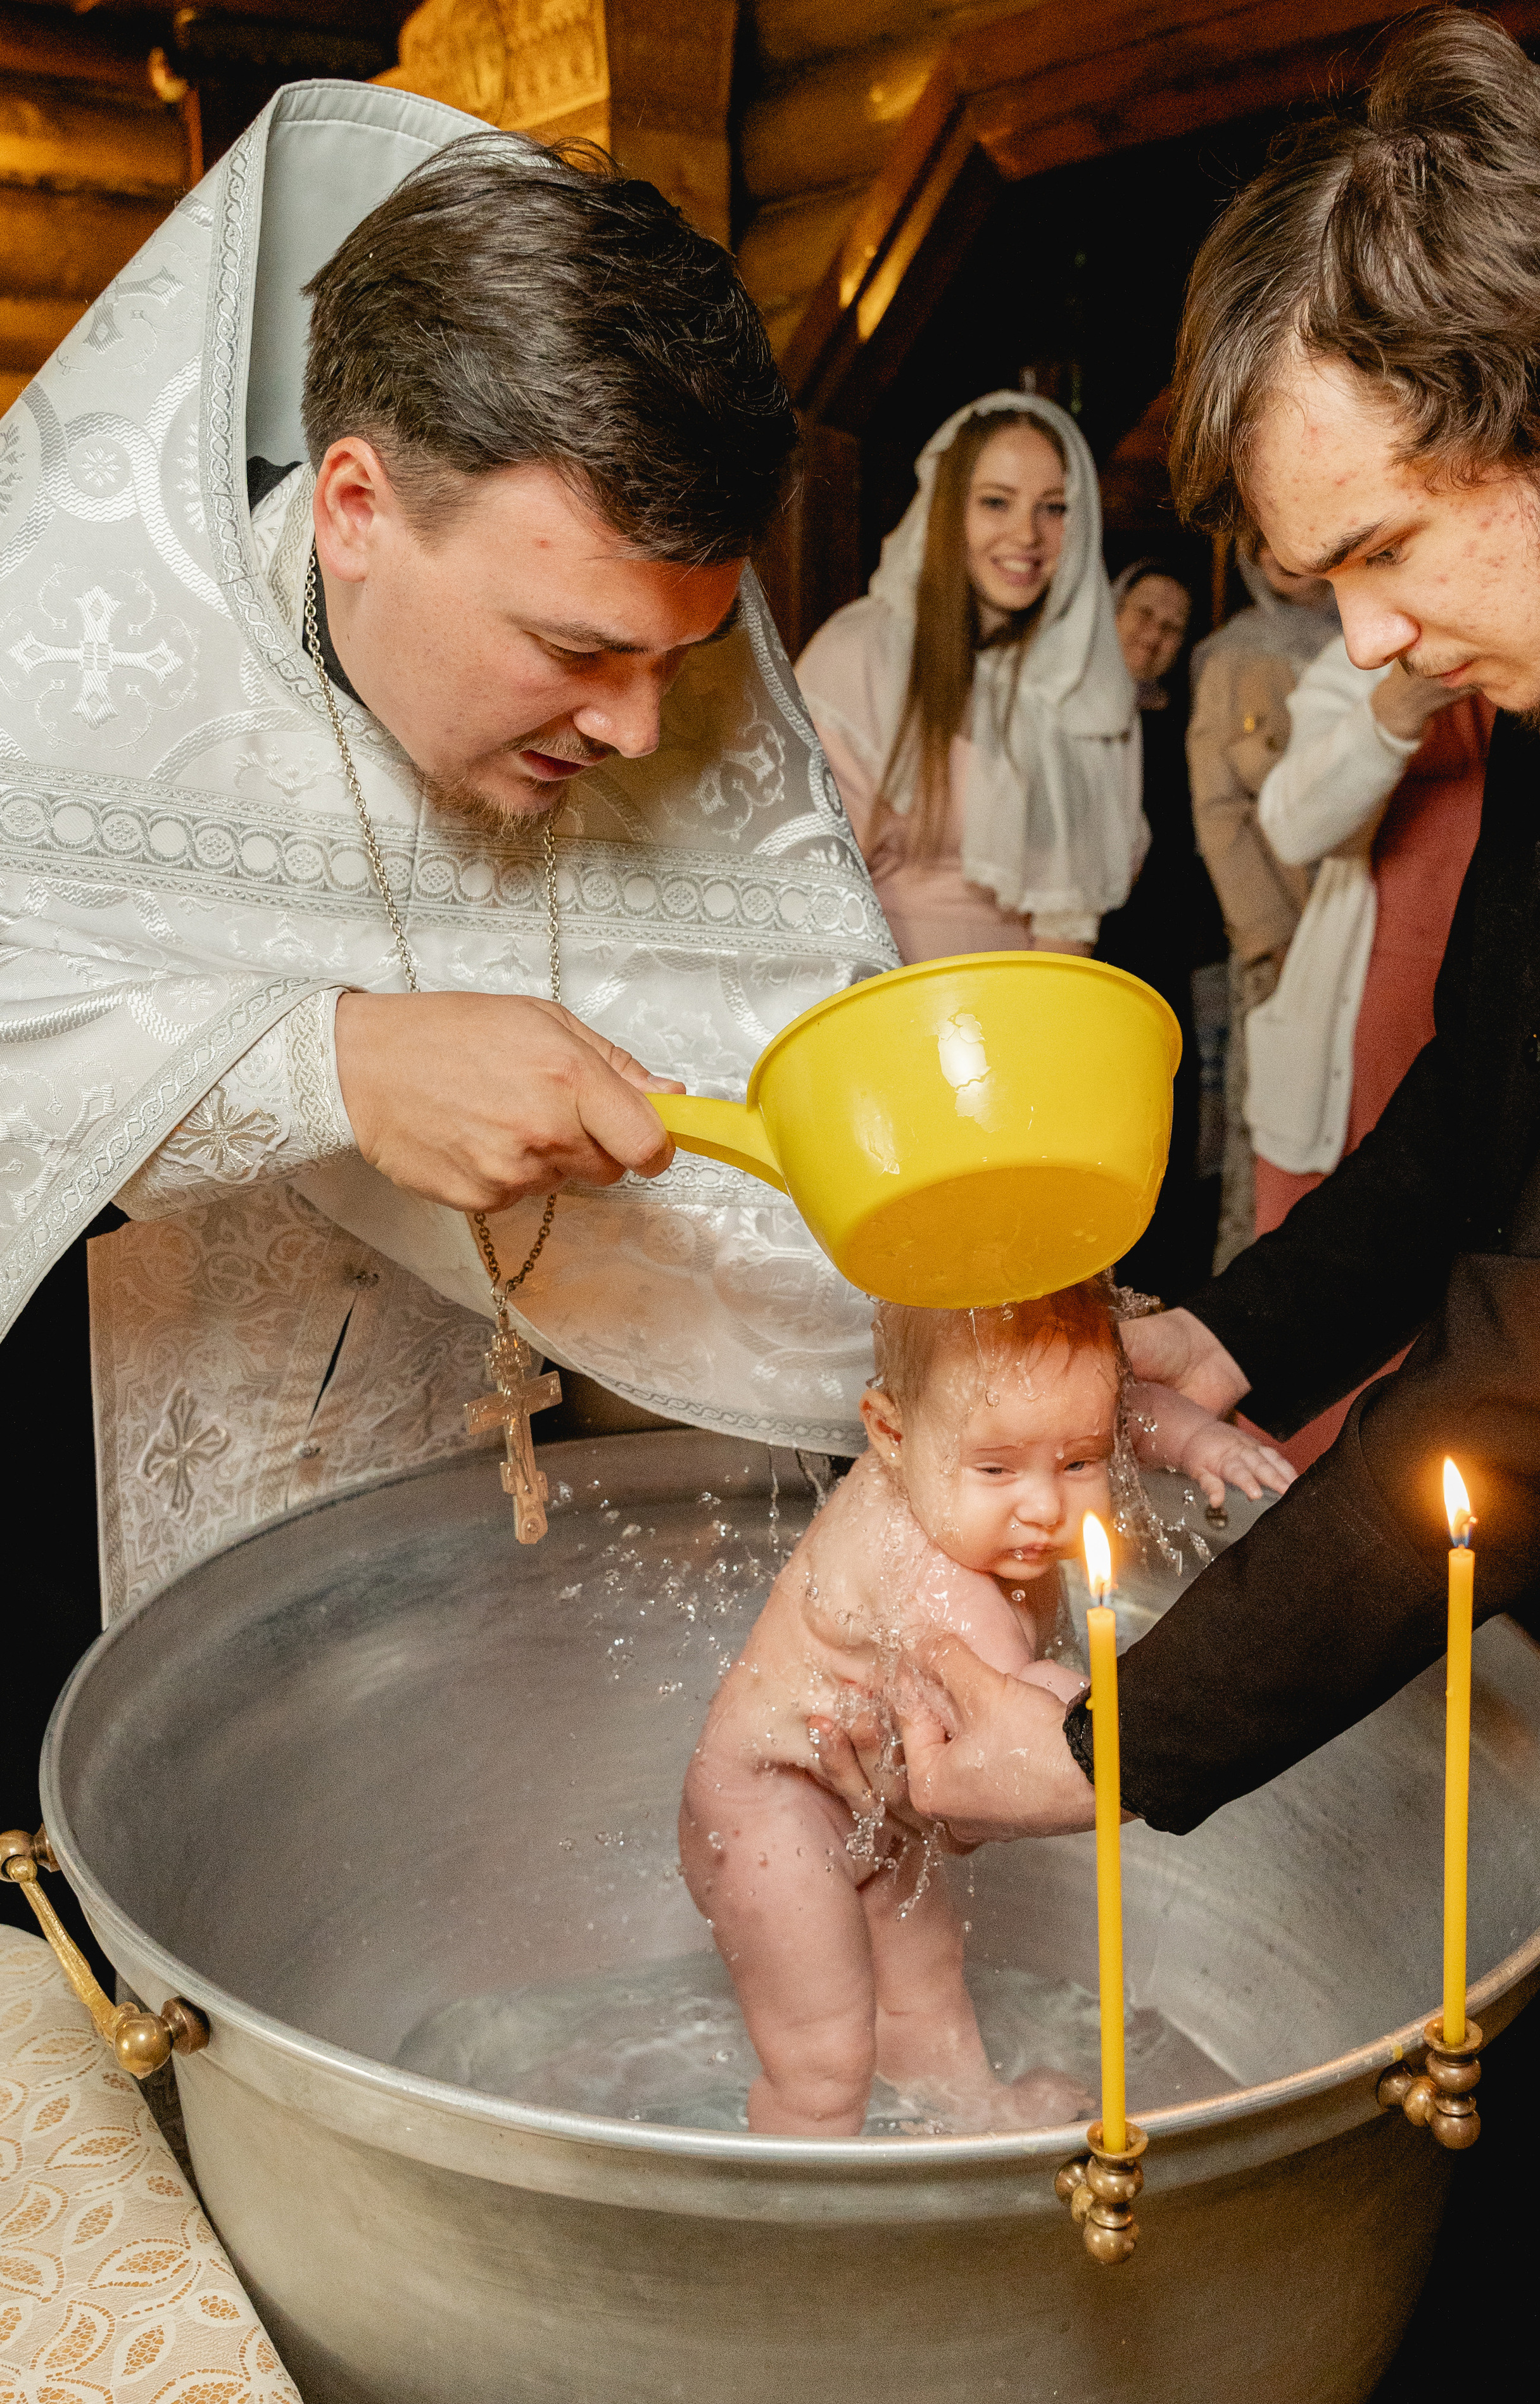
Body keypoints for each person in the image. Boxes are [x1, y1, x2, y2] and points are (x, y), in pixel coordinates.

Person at [805, 8, 1540, 1862]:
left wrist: (1113, 1743)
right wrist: (1227, 1339)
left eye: (1388, 546)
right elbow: (1473, 1120)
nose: (1365, 642)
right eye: (1323, 578)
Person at [0, 82, 898, 1642]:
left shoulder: (655, 702)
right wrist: (326, 1061)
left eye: (678, 662)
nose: (634, 733)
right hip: (82, 1524)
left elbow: (799, 1086)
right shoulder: (62, 660)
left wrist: (982, 1310)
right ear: (355, 506)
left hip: (532, 1538)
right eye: (574, 649)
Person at [681, 1286, 1290, 2134]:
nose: (1043, 1507)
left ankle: (967, 2106)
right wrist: (1145, 1717)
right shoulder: (943, 1581)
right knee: (825, 2053)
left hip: (867, 1802)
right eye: (998, 1469)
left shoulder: (963, 1453)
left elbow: (1116, 1414)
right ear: (889, 1433)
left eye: (1077, 1465)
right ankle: (802, 2191)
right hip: (771, 1815)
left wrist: (1199, 1440)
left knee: (928, 1986)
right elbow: (1024, 1728)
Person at [1246, 638, 1491, 1464]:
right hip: (1359, 1031)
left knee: (1457, 1330)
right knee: (1329, 1296)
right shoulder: (1362, 660)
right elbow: (1291, 824)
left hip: (1493, 1024)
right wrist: (1394, 711)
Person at [795, 394, 1144, 965]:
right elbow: (814, 890)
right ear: (948, 510)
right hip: (872, 995)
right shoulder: (861, 651)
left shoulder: (1089, 685)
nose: (1027, 536)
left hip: (1027, 1015)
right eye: (996, 502)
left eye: (1054, 509)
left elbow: (1070, 923)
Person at [1186, 542, 1341, 1269]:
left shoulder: (1369, 641)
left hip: (1359, 919)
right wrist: (1269, 937)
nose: (1287, 556)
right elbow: (1217, 812)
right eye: (1267, 540)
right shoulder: (1233, 656)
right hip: (1280, 930)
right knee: (1270, 1114)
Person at [1097, 563, 1228, 1306]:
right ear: (1111, 611)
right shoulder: (1072, 717)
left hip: (1166, 950)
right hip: (1094, 944)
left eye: (1171, 626)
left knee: (1163, 1116)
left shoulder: (1181, 722)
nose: (1152, 635)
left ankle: (1157, 1285)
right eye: (1142, 613)